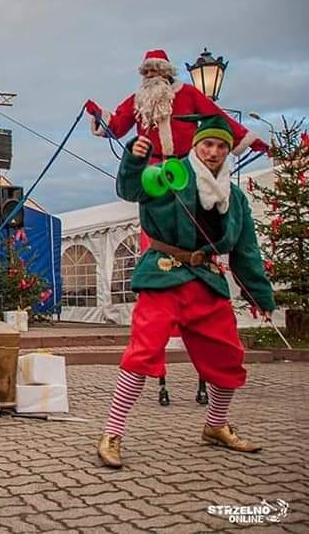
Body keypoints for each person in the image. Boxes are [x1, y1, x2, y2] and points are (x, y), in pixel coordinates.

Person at [97, 114, 275, 469]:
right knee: (143, 353)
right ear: (196, 146)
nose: (213, 152)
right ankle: (112, 433)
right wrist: (134, 157)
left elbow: (245, 251)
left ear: (228, 152)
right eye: (207, 144)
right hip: (163, 277)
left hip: (206, 281)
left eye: (221, 146)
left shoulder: (235, 198)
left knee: (228, 356)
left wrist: (261, 297)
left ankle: (215, 426)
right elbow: (130, 190)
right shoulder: (169, 176)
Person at [85, 49, 268, 160]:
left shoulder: (187, 93)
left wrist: (251, 141)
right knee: (155, 217)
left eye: (155, 71)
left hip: (188, 163)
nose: (150, 75)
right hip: (152, 166)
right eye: (146, 72)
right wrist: (99, 114)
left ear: (166, 73)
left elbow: (217, 116)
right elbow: (118, 125)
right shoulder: (138, 99)